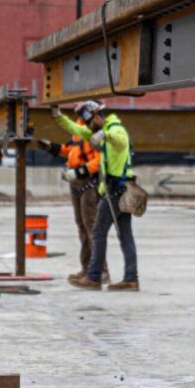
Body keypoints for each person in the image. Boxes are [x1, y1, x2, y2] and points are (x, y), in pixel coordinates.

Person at [53, 101, 139, 291]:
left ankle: (94, 277)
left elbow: (121, 139)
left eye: (92, 123)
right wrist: (59, 117)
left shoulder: (115, 128)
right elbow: (78, 129)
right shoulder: (100, 129)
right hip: (122, 190)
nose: (90, 128)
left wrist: (104, 135)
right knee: (125, 235)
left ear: (98, 117)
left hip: (115, 190)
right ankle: (131, 279)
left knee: (98, 232)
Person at [36, 100, 109, 284]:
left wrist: (78, 172)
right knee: (83, 228)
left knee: (91, 228)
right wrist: (51, 147)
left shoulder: (95, 133)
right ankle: (87, 268)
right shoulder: (79, 129)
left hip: (88, 183)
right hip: (76, 182)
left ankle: (101, 271)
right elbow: (71, 151)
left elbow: (98, 161)